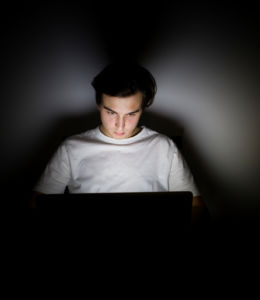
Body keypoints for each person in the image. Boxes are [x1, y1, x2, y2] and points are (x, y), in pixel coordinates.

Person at [30, 62, 206, 224]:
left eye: (131, 114)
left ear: (143, 108)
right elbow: (36, 204)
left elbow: (196, 207)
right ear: (99, 104)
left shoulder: (163, 146)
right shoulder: (71, 148)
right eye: (111, 112)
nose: (120, 125)